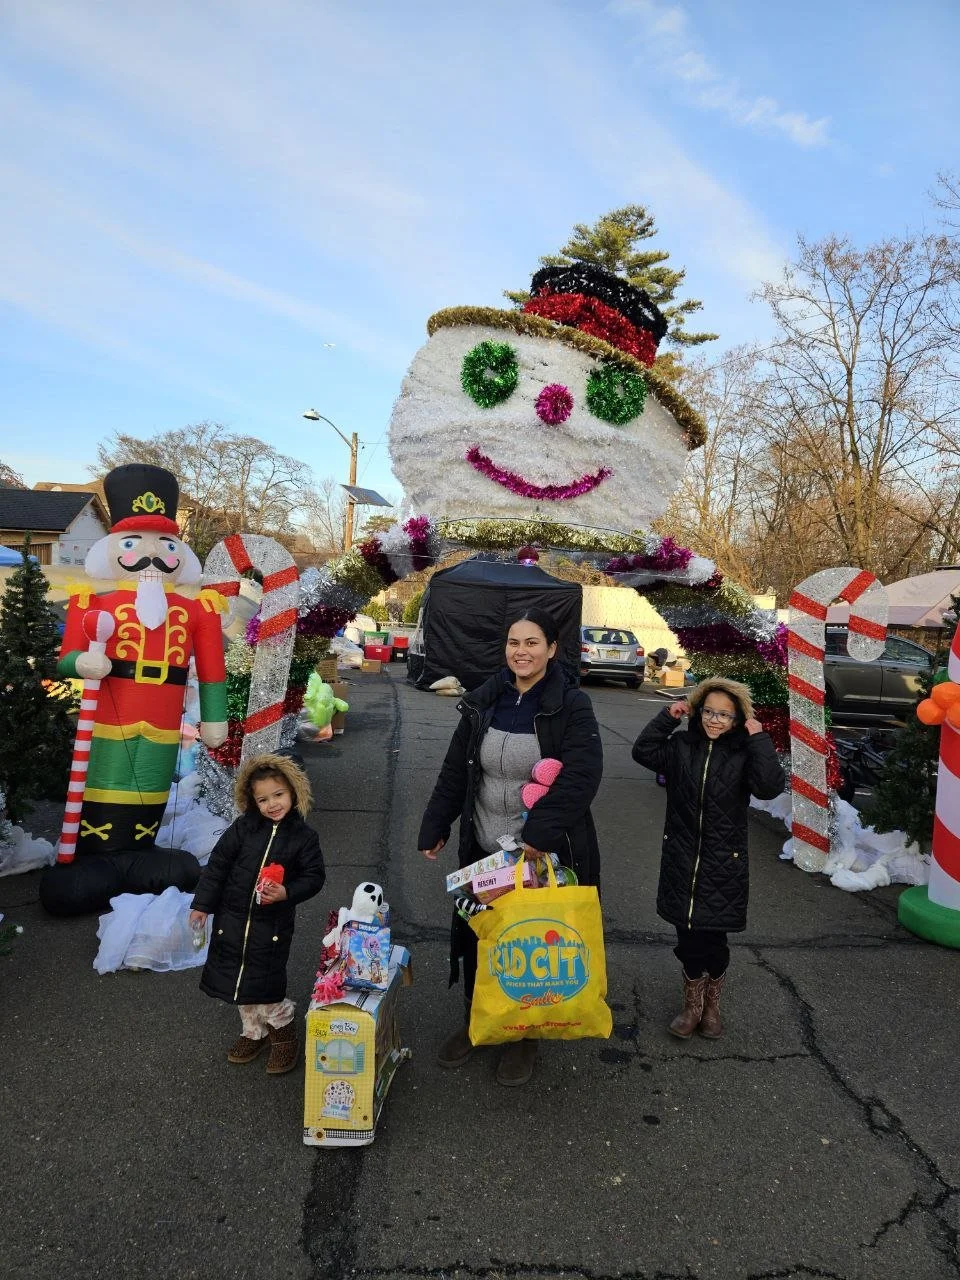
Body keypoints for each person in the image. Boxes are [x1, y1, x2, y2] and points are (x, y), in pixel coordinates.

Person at [418, 608, 603, 1087]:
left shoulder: (571, 705)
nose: (521, 651)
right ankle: (480, 1024)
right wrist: (437, 821)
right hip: (483, 849)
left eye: (532, 643)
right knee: (481, 938)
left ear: (552, 649)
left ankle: (524, 1034)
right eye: (514, 642)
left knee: (527, 946)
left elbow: (583, 776)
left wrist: (540, 833)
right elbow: (457, 768)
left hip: (542, 855)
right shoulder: (486, 699)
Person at [632, 677, 784, 1040]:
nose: (715, 720)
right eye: (710, 712)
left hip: (723, 864)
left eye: (725, 715)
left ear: (737, 719)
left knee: (713, 943)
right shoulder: (682, 746)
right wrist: (668, 717)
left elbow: (769, 786)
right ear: (699, 712)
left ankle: (712, 1006)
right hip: (681, 859)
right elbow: (643, 751)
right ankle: (692, 1006)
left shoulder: (743, 754)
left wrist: (759, 738)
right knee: (686, 940)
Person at [189, 753, 326, 1075]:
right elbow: (218, 867)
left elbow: (314, 876)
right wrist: (201, 906)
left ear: (293, 791)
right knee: (238, 980)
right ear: (252, 801)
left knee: (264, 982)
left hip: (271, 925)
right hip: (232, 920)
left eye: (278, 795)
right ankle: (254, 1031)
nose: (272, 804)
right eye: (263, 799)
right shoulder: (243, 829)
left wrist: (287, 892)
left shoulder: (303, 837)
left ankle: (284, 1035)